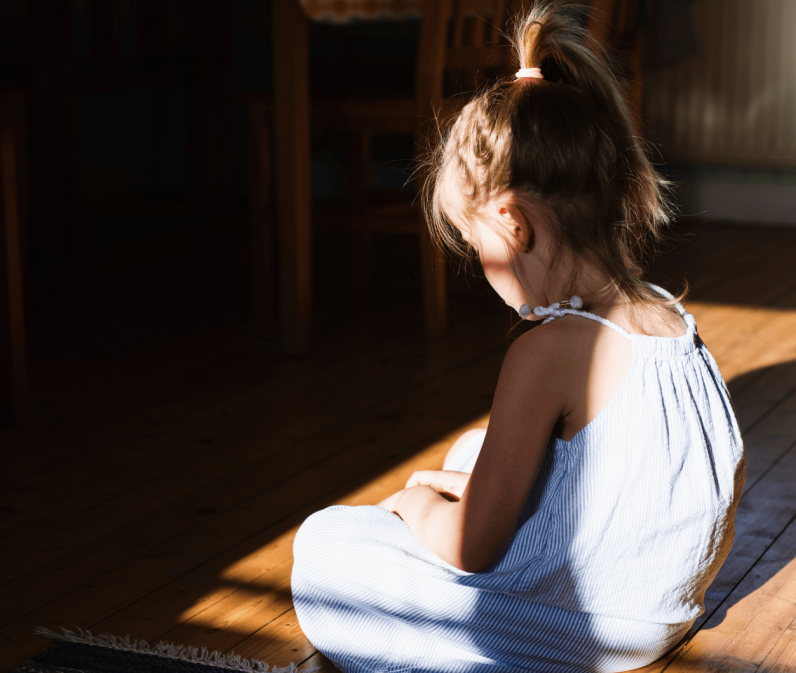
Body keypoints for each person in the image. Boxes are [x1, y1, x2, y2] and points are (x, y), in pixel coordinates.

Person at [291, 3, 746, 670]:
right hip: (664, 610)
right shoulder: (669, 316)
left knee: (324, 543)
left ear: (512, 223)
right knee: (474, 448)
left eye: (478, 249)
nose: (485, 272)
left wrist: (416, 504)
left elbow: (471, 549)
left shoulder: (550, 351)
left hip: (581, 628)